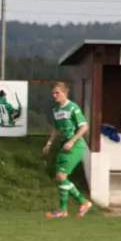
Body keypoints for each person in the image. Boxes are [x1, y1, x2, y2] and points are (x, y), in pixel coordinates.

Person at [43, 82, 93, 218]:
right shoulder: (56, 110)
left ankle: (65, 209)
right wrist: (49, 143)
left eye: (57, 93)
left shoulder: (73, 107)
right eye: (53, 93)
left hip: (75, 146)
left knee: (61, 176)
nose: (54, 95)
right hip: (64, 145)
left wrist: (72, 141)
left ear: (65, 93)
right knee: (60, 177)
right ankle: (76, 205)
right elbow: (56, 129)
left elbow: (84, 126)